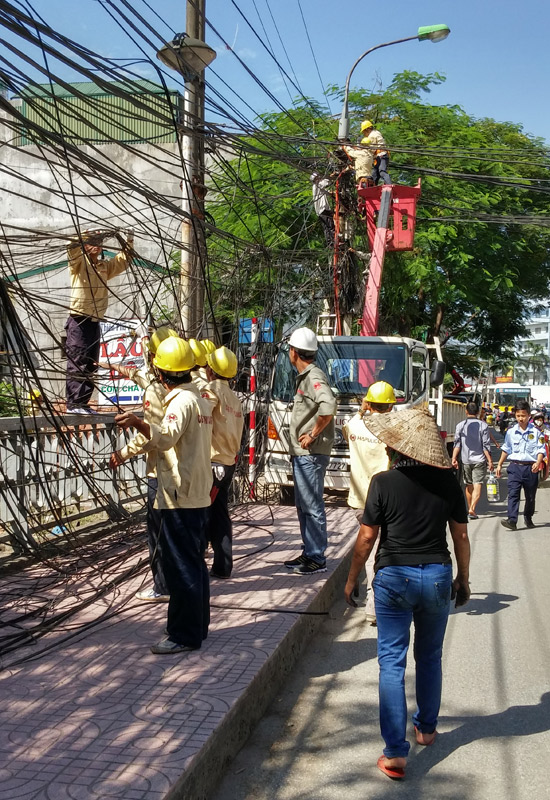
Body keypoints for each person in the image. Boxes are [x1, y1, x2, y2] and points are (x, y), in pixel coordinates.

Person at [344, 407, 470, 779]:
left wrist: (352, 580)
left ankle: (395, 754)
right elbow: (460, 535)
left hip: (393, 578)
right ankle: (427, 730)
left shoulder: (382, 483)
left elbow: (366, 538)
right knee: (429, 656)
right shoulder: (449, 482)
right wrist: (463, 579)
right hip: (436, 576)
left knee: (392, 664)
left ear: (397, 449)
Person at [115, 336, 213, 655]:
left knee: (180, 566)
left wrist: (139, 424)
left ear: (161, 374)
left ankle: (183, 635)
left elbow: (166, 439)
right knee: (194, 563)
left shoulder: (181, 403)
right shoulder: (199, 398)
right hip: (196, 492)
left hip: (179, 496)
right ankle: (198, 626)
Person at [107, 326, 177, 602]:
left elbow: (153, 434)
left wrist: (123, 452)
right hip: (181, 471)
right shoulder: (188, 386)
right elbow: (137, 373)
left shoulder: (155, 391)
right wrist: (108, 365)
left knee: (158, 533)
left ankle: (163, 586)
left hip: (160, 470)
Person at [342, 381, 395, 624]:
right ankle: (376, 607)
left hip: (359, 500)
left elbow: (349, 427)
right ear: (390, 406)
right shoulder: (392, 430)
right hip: (386, 500)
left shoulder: (354, 424)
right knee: (382, 553)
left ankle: (375, 603)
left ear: (368, 403)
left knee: (371, 550)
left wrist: (362, 410)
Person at [284, 327, 336, 575]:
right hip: (303, 454)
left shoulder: (314, 377)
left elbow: (328, 406)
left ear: (294, 352)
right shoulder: (306, 377)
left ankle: (317, 557)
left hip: (311, 454)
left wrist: (313, 434)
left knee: (312, 505)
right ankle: (309, 552)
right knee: (303, 505)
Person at [65, 229, 133, 414]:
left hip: (95, 319)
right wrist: (79, 236)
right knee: (77, 359)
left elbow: (123, 261)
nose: (97, 245)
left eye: (98, 242)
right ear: (85, 245)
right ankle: (73, 404)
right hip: (79, 318)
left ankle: (83, 402)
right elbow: (71, 249)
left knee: (90, 362)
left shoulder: (103, 266)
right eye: (92, 242)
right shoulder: (79, 263)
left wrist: (129, 240)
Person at [200, 346, 244, 578]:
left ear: (210, 370)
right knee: (219, 515)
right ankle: (222, 566)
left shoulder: (210, 391)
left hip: (212, 463)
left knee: (202, 515)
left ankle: (198, 566)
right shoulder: (234, 398)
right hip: (227, 464)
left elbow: (199, 415)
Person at [496, 399, 545, 530]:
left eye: (523, 415)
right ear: (515, 415)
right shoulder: (511, 432)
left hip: (530, 468)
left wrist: (538, 462)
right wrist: (500, 464)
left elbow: (541, 449)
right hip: (515, 467)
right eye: (518, 416)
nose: (520, 418)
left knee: (530, 496)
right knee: (513, 494)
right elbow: (506, 449)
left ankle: (528, 517)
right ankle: (512, 520)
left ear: (529, 416)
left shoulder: (536, 432)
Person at [451, 401, 493, 520]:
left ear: (466, 411)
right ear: (478, 412)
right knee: (477, 485)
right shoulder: (483, 425)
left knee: (468, 485)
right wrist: (490, 461)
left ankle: (471, 509)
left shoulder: (460, 425)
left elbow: (457, 444)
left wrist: (454, 458)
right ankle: (472, 509)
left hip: (465, 460)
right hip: (479, 460)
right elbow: (486, 445)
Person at [360, 120, 391, 186]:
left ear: (367, 129)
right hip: (379, 156)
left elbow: (373, 149)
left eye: (364, 132)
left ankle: (389, 185)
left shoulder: (372, 135)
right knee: (374, 175)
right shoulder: (376, 133)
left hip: (381, 155)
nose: (364, 134)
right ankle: (372, 188)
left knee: (382, 172)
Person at [310, 172, 335, 247]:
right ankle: (335, 241)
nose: (320, 178)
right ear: (315, 179)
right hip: (323, 210)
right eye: (318, 177)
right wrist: (331, 176)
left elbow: (325, 192)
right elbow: (325, 183)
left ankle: (330, 243)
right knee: (331, 226)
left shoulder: (316, 187)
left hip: (320, 212)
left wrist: (331, 193)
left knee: (326, 228)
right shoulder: (317, 185)